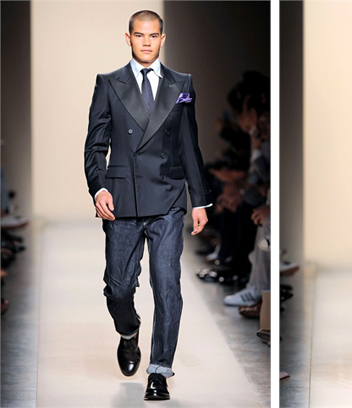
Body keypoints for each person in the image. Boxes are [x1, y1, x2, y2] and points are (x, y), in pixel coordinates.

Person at [84, 10, 212, 401]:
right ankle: (129, 330)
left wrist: (199, 199)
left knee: (167, 283)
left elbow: (189, 144)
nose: (146, 42)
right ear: (128, 38)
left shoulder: (181, 83)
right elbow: (95, 145)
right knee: (118, 288)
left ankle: (159, 371)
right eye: (139, 35)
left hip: (168, 199)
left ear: (162, 38)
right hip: (121, 201)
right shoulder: (109, 83)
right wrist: (98, 189)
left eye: (152, 36)